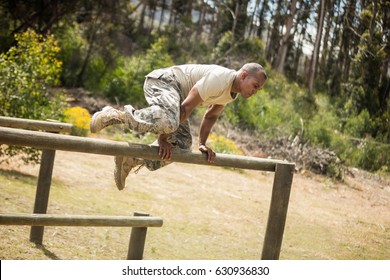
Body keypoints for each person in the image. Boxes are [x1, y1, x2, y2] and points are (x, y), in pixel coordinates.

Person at [90, 63, 267, 190]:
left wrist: (202, 143)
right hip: (164, 82)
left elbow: (211, 115)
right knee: (170, 121)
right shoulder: (220, 78)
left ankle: (131, 159)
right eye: (255, 86)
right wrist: (162, 138)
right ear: (243, 75)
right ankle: (114, 115)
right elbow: (185, 108)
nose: (255, 91)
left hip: (176, 103)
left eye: (258, 90)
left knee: (182, 144)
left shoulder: (231, 93)